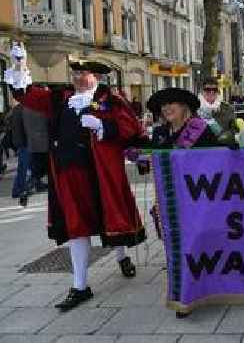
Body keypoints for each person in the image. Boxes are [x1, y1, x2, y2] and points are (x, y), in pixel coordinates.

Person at [4, 43, 146, 311]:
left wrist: (105, 125)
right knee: (76, 226)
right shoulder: (61, 98)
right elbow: (28, 96)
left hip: (101, 174)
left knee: (110, 219)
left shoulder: (111, 100)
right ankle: (80, 286)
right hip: (68, 174)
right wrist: (20, 66)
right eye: (75, 73)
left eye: (85, 73)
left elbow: (132, 128)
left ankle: (121, 256)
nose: (79, 78)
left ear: (97, 77)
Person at [198, 78, 239, 145]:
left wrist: (225, 136)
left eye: (214, 90)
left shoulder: (228, 109)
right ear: (202, 91)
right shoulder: (194, 109)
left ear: (218, 91)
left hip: (221, 149)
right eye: (207, 90)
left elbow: (234, 129)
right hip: (200, 150)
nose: (211, 92)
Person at [9, 102, 31, 207]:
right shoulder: (24, 109)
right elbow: (26, 127)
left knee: (22, 167)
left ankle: (16, 190)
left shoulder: (17, 109)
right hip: (24, 142)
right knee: (24, 168)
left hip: (19, 142)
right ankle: (21, 189)